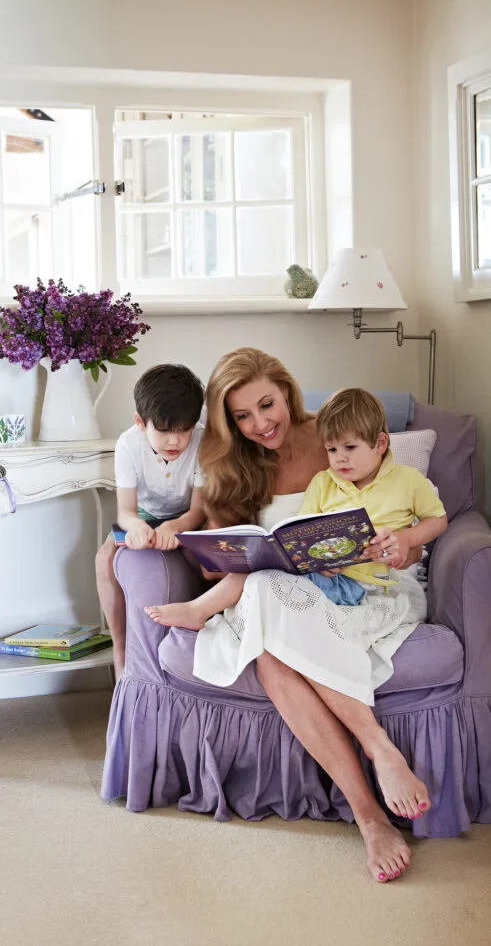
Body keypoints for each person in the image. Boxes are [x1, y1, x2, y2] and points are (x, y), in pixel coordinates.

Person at [143, 348, 435, 883]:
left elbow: (399, 517)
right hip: (274, 590)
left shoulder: (334, 438)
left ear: (287, 391)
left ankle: (378, 771)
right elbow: (220, 557)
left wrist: (403, 548)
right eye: (242, 416)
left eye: (267, 405)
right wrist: (218, 556)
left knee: (273, 643)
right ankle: (371, 811)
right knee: (269, 620)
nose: (259, 424)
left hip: (352, 589)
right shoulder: (227, 457)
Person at [95, 364, 206, 677]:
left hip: (188, 514)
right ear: (141, 423)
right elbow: (126, 511)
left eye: (183, 430)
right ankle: (120, 647)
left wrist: (177, 527)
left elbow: (198, 510)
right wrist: (137, 528)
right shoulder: (128, 445)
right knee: (105, 559)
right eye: (164, 430)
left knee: (203, 560)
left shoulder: (203, 442)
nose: (174, 441)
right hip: (145, 513)